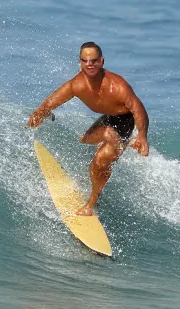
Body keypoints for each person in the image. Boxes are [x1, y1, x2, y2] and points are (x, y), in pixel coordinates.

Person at [27, 42, 150, 216]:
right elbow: (51, 101)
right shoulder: (76, 85)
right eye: (85, 60)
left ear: (102, 61)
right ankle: (113, 148)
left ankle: (91, 204)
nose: (89, 64)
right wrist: (38, 115)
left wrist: (142, 137)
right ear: (80, 62)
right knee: (85, 140)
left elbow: (139, 110)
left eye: (94, 60)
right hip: (108, 118)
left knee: (99, 163)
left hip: (124, 122)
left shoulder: (119, 87)